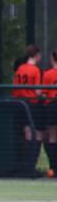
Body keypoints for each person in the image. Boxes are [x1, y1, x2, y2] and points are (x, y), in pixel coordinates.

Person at [12, 45, 44, 176]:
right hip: (31, 104)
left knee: (25, 133)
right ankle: (30, 166)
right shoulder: (35, 70)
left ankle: (24, 165)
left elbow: (15, 87)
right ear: (36, 55)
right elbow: (37, 91)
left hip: (20, 103)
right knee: (33, 134)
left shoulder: (20, 68)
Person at [42, 50, 57, 178]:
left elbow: (43, 92)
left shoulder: (47, 74)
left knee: (52, 136)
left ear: (53, 59)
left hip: (52, 106)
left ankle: (53, 167)